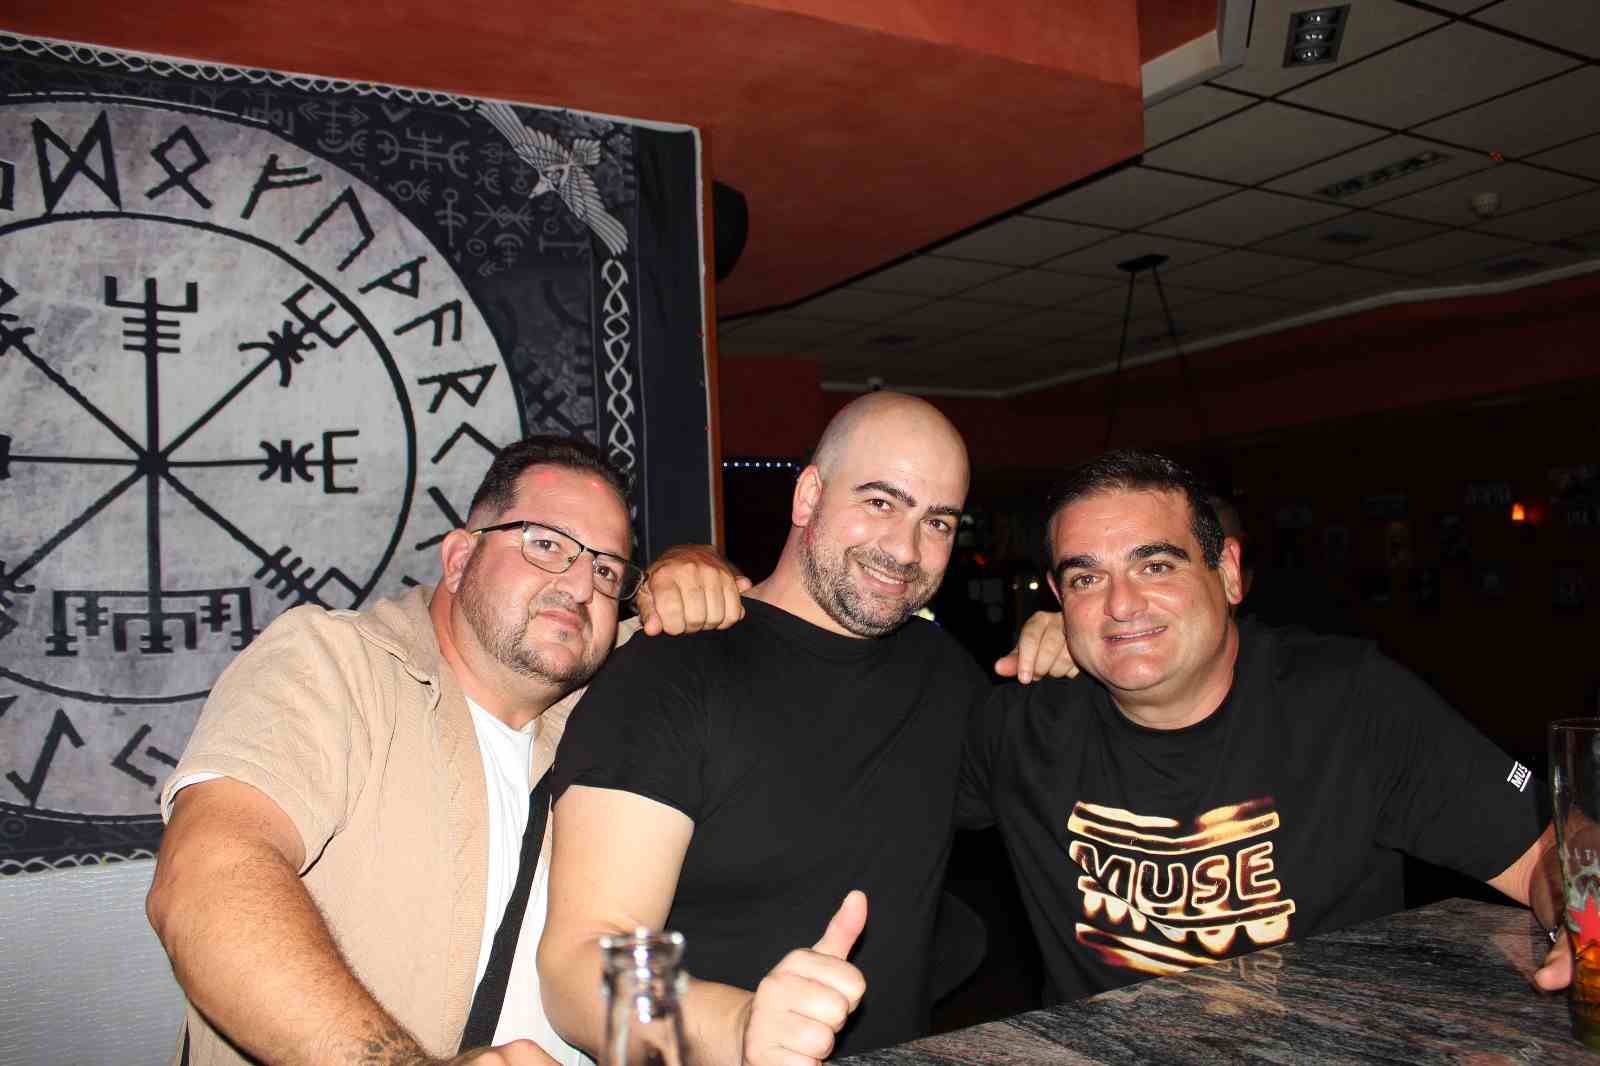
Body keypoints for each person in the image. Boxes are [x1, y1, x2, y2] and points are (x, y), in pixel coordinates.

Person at [146, 435, 751, 1066]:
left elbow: (719, 609)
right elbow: (206, 877)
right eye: (545, 544)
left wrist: (691, 561)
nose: (578, 585)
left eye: (605, 568)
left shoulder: (609, 702)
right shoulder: (333, 664)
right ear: (460, 559)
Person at [538, 392, 1073, 1066]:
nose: (905, 549)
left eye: (937, 522)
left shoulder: (941, 670)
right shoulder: (672, 670)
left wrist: (1073, 642)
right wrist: (737, 1028)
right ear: (809, 495)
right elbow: (581, 964)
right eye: (880, 502)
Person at [960, 448, 1561, 1005]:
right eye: (1086, 579)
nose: (1121, 604)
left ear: (1227, 572)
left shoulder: (1349, 700)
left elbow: (1546, 853)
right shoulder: (1020, 724)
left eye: (1156, 565)